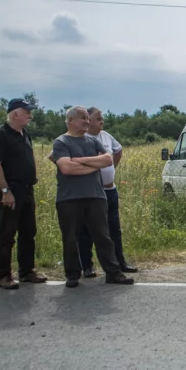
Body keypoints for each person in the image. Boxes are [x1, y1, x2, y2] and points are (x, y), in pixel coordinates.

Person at [49, 106, 134, 288]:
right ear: (71, 121)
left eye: (88, 118)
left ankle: (113, 272)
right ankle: (73, 274)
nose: (87, 121)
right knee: (71, 238)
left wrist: (78, 160)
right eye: (82, 118)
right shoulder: (61, 142)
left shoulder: (92, 141)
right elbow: (66, 168)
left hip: (96, 195)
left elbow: (107, 160)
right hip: (69, 198)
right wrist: (93, 164)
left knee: (103, 236)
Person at [0, 98, 47, 290]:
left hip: (27, 190)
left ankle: (26, 271)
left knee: (28, 232)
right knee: (7, 234)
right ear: (15, 114)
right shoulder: (0, 135)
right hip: (11, 190)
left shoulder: (25, 134)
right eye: (27, 111)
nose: (30, 115)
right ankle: (4, 275)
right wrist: (6, 191)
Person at [78, 107, 137, 278]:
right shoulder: (83, 139)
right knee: (88, 231)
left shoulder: (106, 136)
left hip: (110, 190)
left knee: (114, 229)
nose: (102, 121)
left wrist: (112, 168)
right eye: (98, 119)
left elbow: (118, 151)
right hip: (92, 192)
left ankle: (120, 262)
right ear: (88, 120)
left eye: (102, 118)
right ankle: (87, 266)